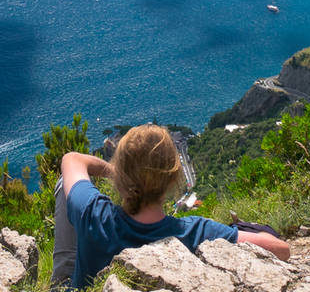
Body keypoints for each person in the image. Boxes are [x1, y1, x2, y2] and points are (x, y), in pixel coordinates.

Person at [51, 124, 290, 289]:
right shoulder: (196, 232)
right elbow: (281, 249)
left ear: (121, 177)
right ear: (172, 178)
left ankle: (59, 284)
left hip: (87, 284)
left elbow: (71, 159)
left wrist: (115, 173)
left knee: (68, 185)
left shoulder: (93, 213)